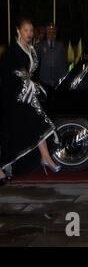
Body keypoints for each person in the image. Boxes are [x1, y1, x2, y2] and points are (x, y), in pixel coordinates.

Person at [0, 18, 61, 185]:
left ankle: (45, 157)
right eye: (26, 30)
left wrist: (34, 85)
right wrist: (25, 84)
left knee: (38, 124)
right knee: (16, 133)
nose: (29, 33)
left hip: (28, 97)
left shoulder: (32, 49)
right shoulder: (13, 51)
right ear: (18, 31)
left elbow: (31, 73)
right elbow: (8, 73)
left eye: (31, 30)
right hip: (15, 99)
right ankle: (4, 168)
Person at [36, 23, 67, 88]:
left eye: (53, 31)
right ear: (46, 33)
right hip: (44, 80)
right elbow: (37, 61)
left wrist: (63, 77)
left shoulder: (60, 45)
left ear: (56, 33)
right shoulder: (40, 45)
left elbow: (63, 63)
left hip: (57, 80)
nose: (51, 33)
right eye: (49, 31)